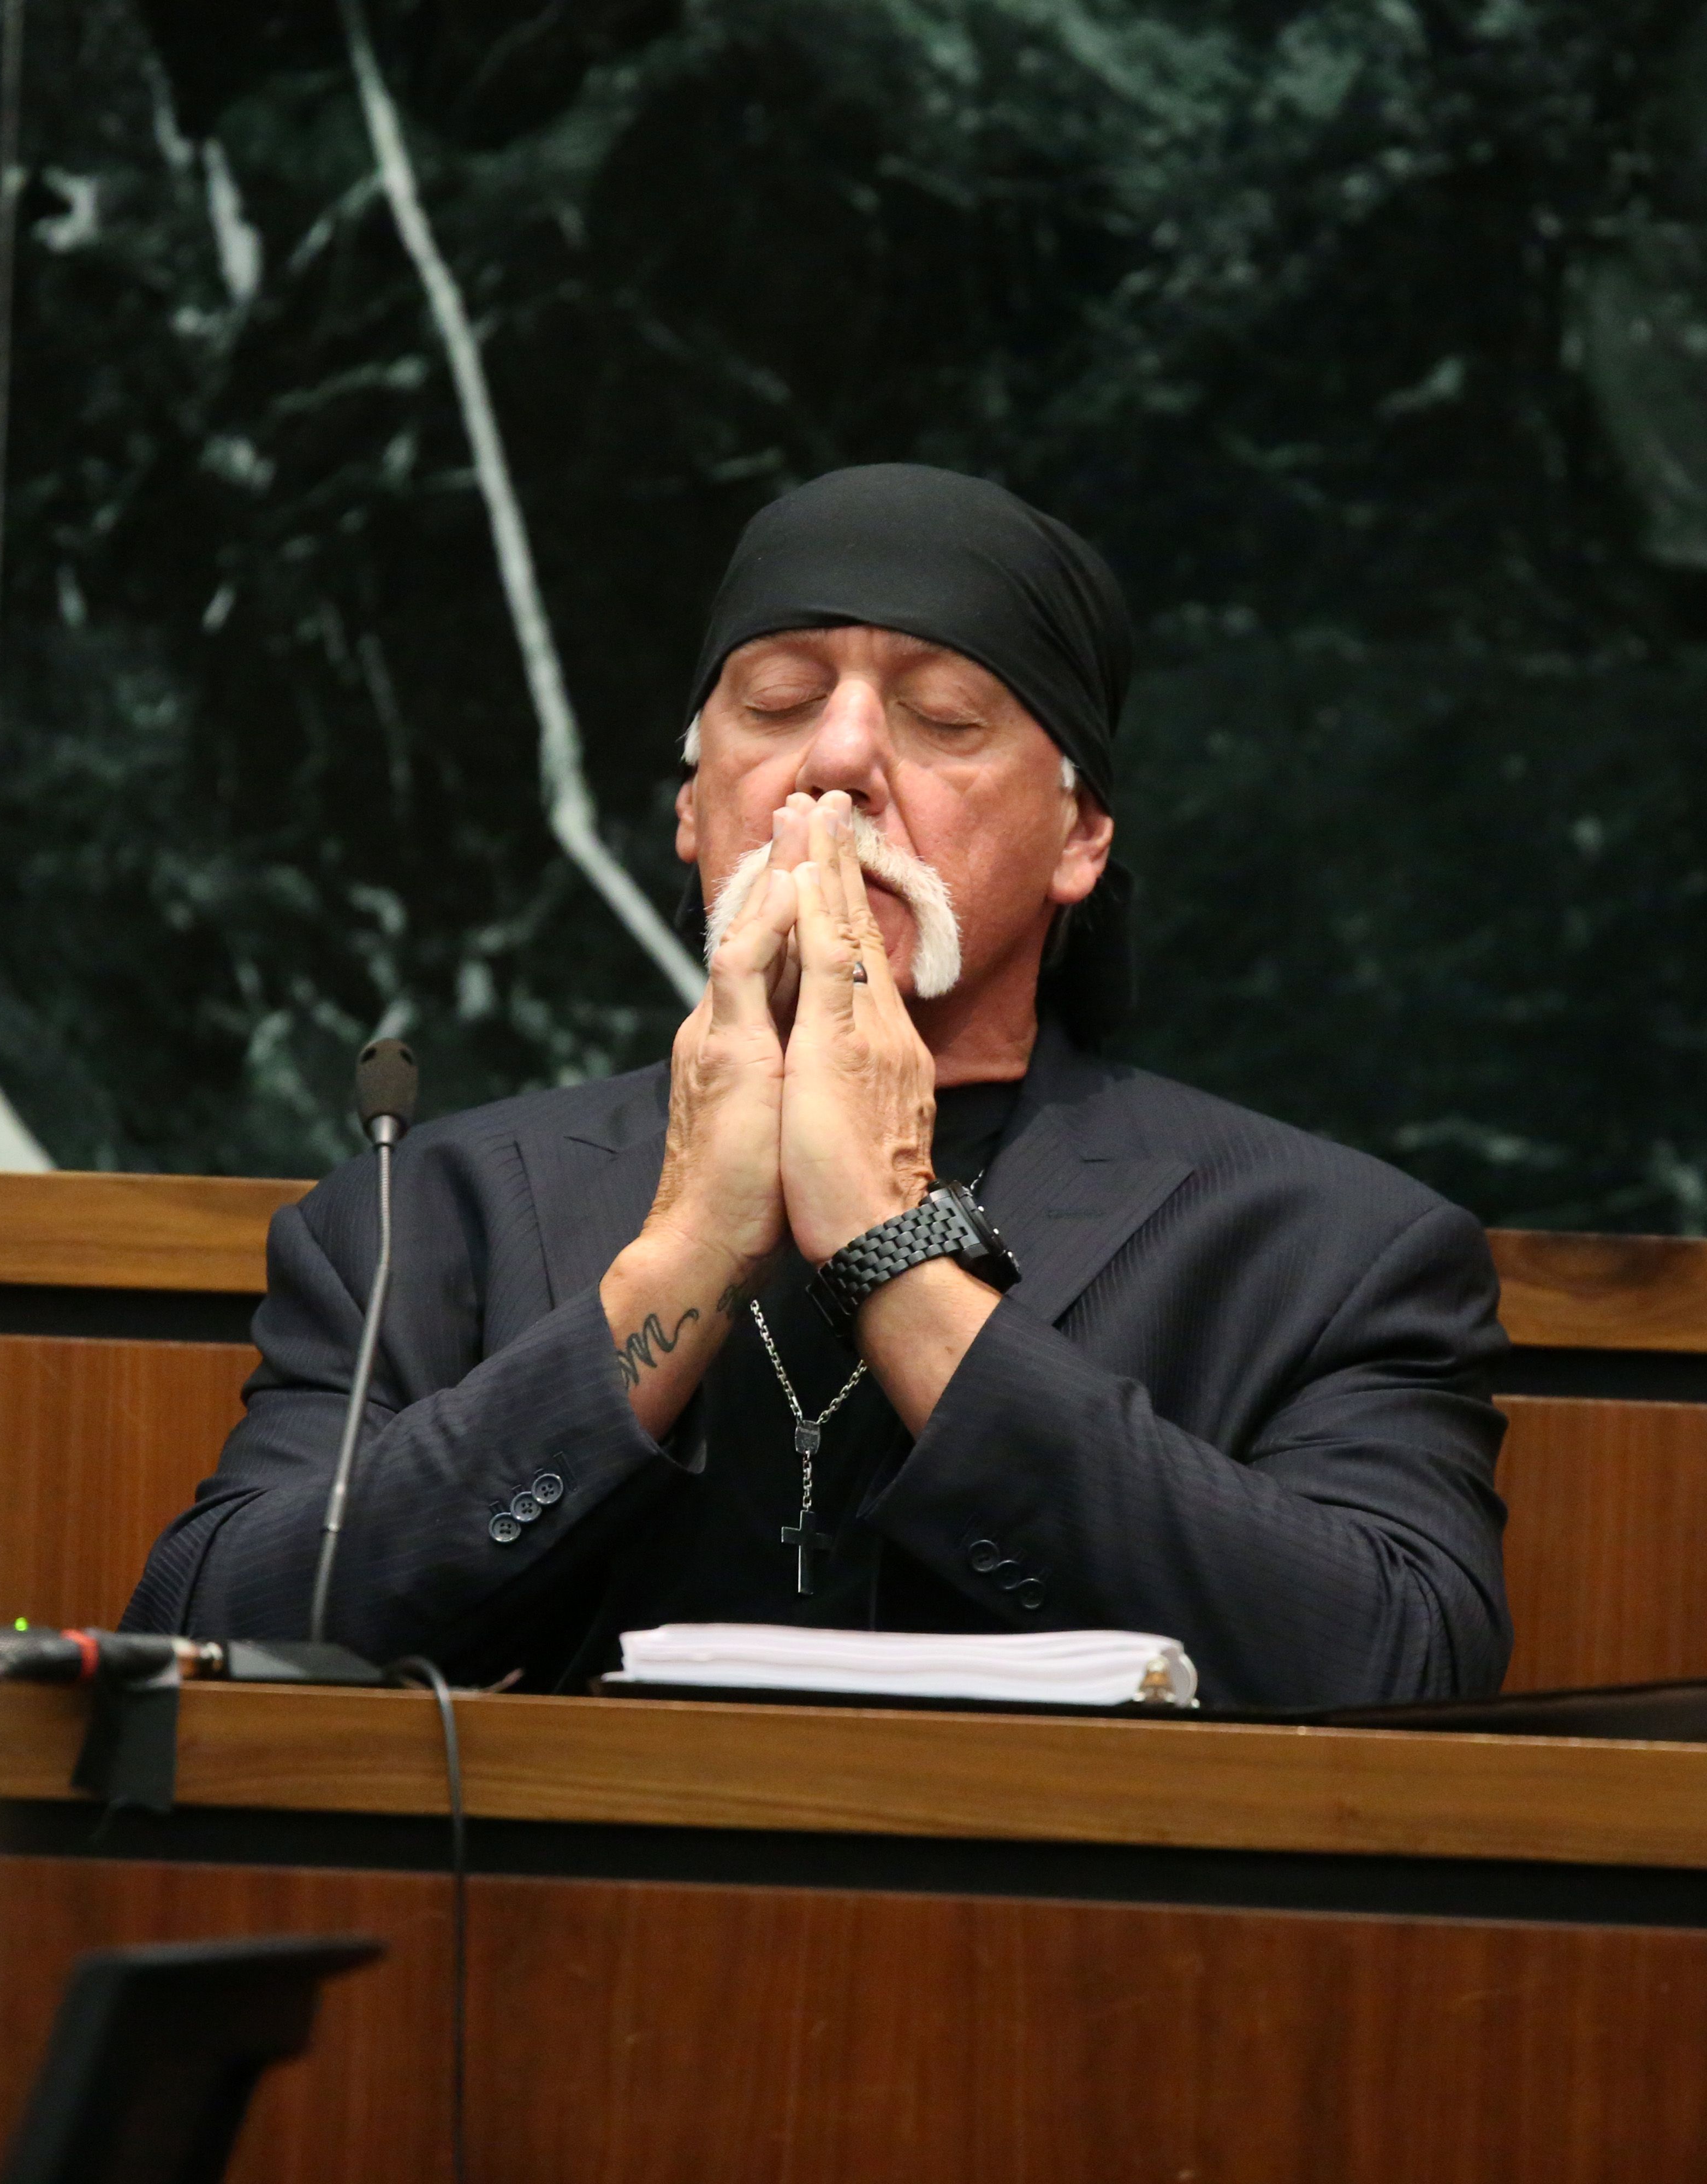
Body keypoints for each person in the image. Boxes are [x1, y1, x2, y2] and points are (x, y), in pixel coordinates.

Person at [124, 463, 1509, 1710]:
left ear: (1080, 836)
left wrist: (882, 1238)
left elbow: (1394, 1665)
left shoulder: (1324, 1246)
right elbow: (212, 1627)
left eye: (945, 716)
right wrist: (682, 1257)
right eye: (777, 704)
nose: (838, 761)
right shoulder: (434, 1206)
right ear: (690, 803)